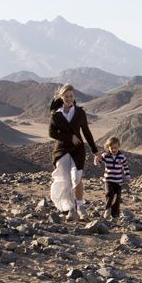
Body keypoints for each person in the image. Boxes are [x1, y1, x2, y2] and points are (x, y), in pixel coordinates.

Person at [48, 83, 100, 221]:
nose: (69, 98)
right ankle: (70, 208)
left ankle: (80, 207)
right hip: (62, 150)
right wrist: (69, 137)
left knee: (76, 177)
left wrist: (95, 151)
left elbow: (86, 132)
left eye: (71, 96)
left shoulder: (79, 113)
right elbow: (52, 133)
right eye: (66, 96)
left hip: (77, 149)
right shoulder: (56, 114)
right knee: (65, 180)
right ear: (61, 97)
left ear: (74, 96)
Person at [98, 136, 131, 222]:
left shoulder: (122, 157)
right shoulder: (105, 155)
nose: (114, 150)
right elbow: (98, 162)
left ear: (119, 147)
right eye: (112, 148)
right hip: (108, 180)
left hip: (118, 181)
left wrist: (127, 177)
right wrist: (96, 159)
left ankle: (115, 215)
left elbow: (125, 167)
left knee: (117, 199)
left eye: (115, 148)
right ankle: (107, 209)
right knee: (109, 194)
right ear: (108, 147)